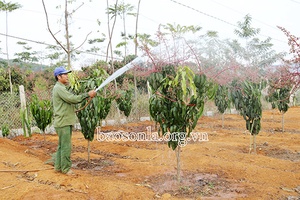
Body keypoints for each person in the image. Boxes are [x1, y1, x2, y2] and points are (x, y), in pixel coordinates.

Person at [52, 66, 96, 175]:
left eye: (67, 74)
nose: (67, 76)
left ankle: (58, 167)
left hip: (63, 121)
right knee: (66, 146)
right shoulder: (59, 88)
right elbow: (72, 99)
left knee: (61, 146)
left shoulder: (60, 88)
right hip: (63, 122)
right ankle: (66, 169)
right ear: (58, 76)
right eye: (65, 74)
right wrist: (87, 95)